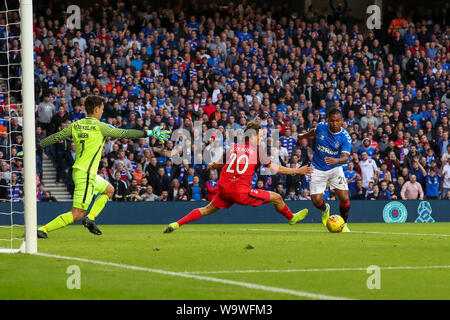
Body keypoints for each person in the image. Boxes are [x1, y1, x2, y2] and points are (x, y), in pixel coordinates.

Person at [37, 95, 170, 238]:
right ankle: (43, 229)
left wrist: (36, 147)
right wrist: (149, 132)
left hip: (85, 173)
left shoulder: (76, 125)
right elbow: (125, 133)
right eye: (101, 109)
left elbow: (55, 137)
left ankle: (91, 218)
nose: (102, 112)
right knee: (77, 214)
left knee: (109, 190)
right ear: (95, 109)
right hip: (86, 175)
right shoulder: (101, 127)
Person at [163, 120, 313, 233]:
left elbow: (217, 164)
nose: (262, 136)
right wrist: (298, 170)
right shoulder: (258, 150)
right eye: (260, 134)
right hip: (240, 191)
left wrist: (210, 166)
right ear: (253, 136)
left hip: (224, 189)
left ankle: (176, 224)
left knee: (206, 210)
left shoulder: (234, 147)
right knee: (277, 198)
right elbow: (276, 168)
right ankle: (292, 218)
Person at [297, 108, 352, 232]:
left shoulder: (345, 137)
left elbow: (345, 158)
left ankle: (344, 224)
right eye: (332, 121)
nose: (334, 124)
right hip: (317, 168)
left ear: (342, 120)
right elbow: (313, 132)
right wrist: (302, 136)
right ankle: (325, 208)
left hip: (335, 168)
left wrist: (336, 160)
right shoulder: (322, 127)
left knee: (344, 198)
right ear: (328, 120)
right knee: (316, 201)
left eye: (337, 121)